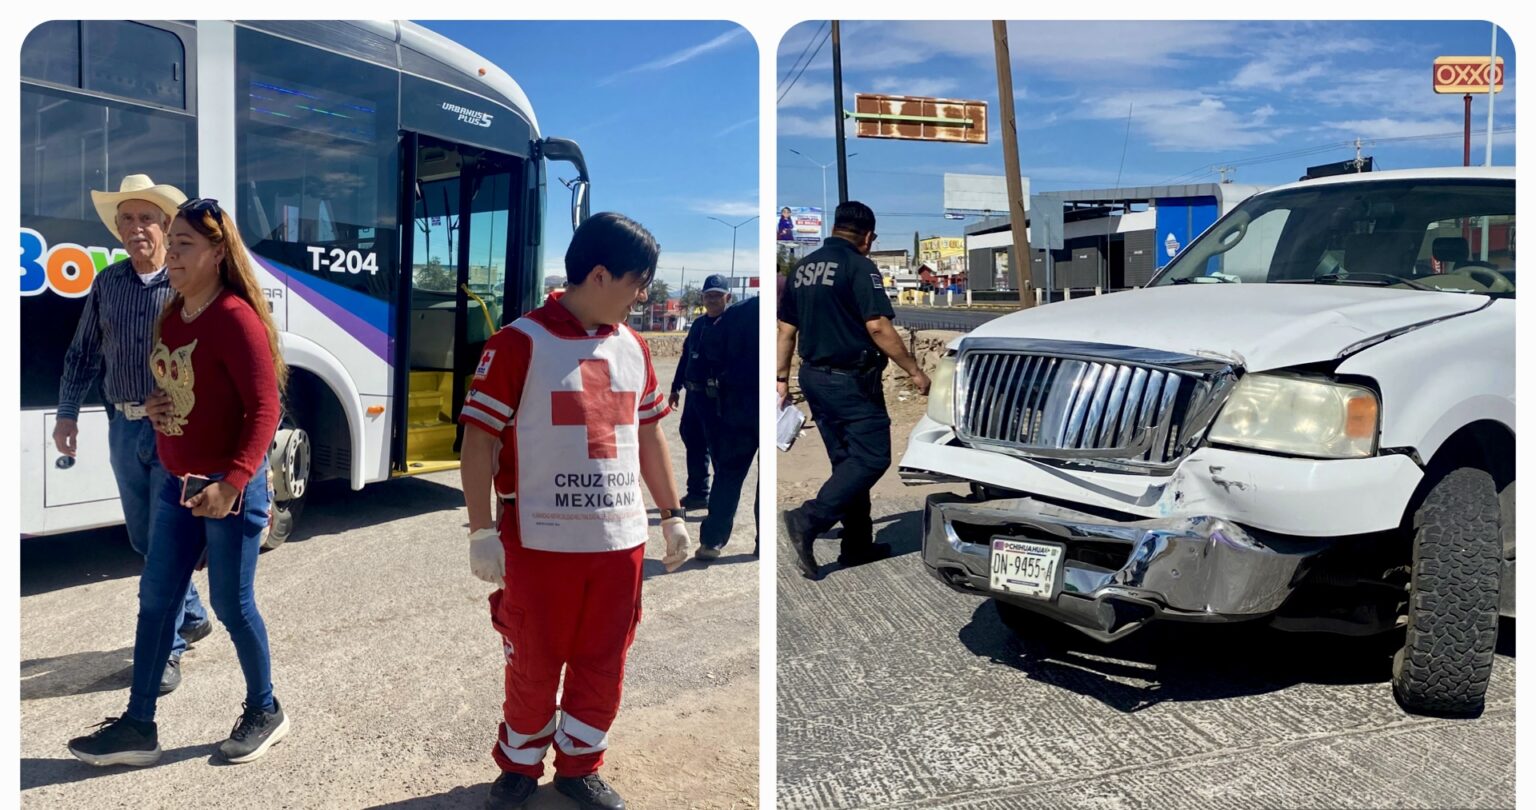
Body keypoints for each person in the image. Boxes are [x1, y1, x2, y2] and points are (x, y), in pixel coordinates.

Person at [458, 212, 692, 810]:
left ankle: (580, 766)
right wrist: (482, 529)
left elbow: (649, 437)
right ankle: (519, 766)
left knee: (604, 663)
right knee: (532, 661)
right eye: (637, 283)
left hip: (619, 543)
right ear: (599, 273)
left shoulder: (634, 347)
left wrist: (670, 513)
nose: (642, 297)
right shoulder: (518, 342)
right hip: (539, 543)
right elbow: (480, 439)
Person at [67, 198, 288, 767]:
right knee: (156, 600)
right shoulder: (173, 314)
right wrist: (157, 407)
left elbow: (266, 410)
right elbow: (175, 386)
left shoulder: (236, 318)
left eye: (185, 244)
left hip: (228, 488)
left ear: (217, 254)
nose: (174, 255)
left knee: (232, 606)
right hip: (177, 485)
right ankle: (139, 727)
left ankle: (265, 709)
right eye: (176, 244)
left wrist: (234, 483)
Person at [55, 174, 211, 695]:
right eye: (127, 219)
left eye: (147, 218)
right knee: (145, 539)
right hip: (124, 428)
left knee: (165, 541)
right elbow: (82, 353)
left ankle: (167, 651)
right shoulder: (108, 284)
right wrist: (67, 414)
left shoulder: (185, 284)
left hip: (175, 431)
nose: (136, 228)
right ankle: (190, 611)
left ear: (166, 228)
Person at [776, 201, 931, 581]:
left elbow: (785, 330)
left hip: (813, 378)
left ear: (834, 227)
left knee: (848, 462)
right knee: (873, 458)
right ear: (868, 236)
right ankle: (807, 519)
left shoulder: (801, 268)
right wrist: (913, 370)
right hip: (851, 380)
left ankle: (858, 544)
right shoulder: (860, 267)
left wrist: (781, 378)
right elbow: (878, 326)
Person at [696, 294, 760, 559]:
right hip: (763, 402)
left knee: (728, 474)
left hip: (737, 404)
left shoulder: (736, 313)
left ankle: (711, 542)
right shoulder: (771, 309)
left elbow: (710, 351)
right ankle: (764, 543)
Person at [667, 274, 732, 510]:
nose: (712, 300)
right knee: (692, 441)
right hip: (693, 396)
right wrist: (675, 388)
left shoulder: (731, 325)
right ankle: (698, 493)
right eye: (708, 295)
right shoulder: (698, 324)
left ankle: (720, 500)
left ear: (728, 297)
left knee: (717, 447)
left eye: (717, 295)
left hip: (715, 398)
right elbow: (686, 357)